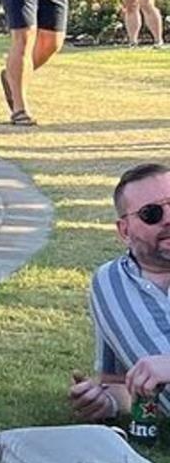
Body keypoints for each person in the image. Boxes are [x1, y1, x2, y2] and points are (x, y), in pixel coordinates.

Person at [70, 162, 170, 428]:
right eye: (152, 213)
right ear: (124, 230)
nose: (169, 218)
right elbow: (117, 382)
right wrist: (107, 402)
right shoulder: (108, 284)